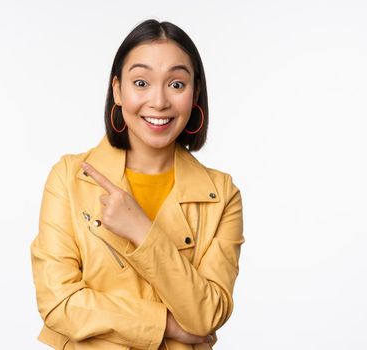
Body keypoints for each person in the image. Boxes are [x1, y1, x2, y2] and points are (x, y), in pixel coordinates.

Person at [30, 19, 244, 350]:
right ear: (117, 89)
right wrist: (167, 326)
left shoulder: (221, 195)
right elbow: (58, 303)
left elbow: (207, 315)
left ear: (195, 92)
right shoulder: (69, 178)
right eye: (141, 82)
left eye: (176, 84)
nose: (158, 102)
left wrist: (142, 231)